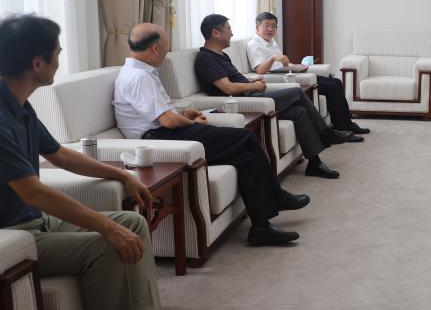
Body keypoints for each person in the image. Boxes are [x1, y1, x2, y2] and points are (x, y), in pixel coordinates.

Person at [0, 14, 204, 310]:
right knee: (105, 244)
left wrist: (121, 174)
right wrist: (104, 227)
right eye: (57, 53)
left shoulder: (16, 104)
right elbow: (34, 192)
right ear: (37, 63)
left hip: (29, 220)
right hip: (5, 235)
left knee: (131, 222)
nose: (60, 58)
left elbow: (59, 155)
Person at [114, 23, 308, 246]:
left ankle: (261, 227)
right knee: (245, 137)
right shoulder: (139, 76)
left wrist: (183, 114)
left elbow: (160, 114)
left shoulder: (140, 72)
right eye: (167, 47)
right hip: (160, 139)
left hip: (164, 132)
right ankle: (277, 196)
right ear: (155, 48)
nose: (167, 53)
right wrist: (189, 121)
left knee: (246, 157)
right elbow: (167, 121)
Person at [194, 14, 350, 179]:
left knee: (299, 112)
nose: (231, 34)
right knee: (296, 91)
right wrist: (253, 86)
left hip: (252, 92)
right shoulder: (206, 58)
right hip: (246, 100)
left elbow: (234, 79)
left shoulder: (221, 55)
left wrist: (252, 81)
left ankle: (315, 164)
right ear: (216, 33)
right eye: (228, 29)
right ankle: (325, 133)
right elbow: (228, 88)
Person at [246, 11, 368, 136]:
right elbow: (260, 69)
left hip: (289, 73)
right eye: (266, 25)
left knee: (336, 82)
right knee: (331, 87)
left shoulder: (271, 42)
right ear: (257, 27)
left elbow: (281, 63)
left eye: (273, 26)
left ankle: (348, 124)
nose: (270, 29)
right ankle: (342, 128)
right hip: (282, 79)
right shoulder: (254, 44)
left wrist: (295, 66)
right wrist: (272, 58)